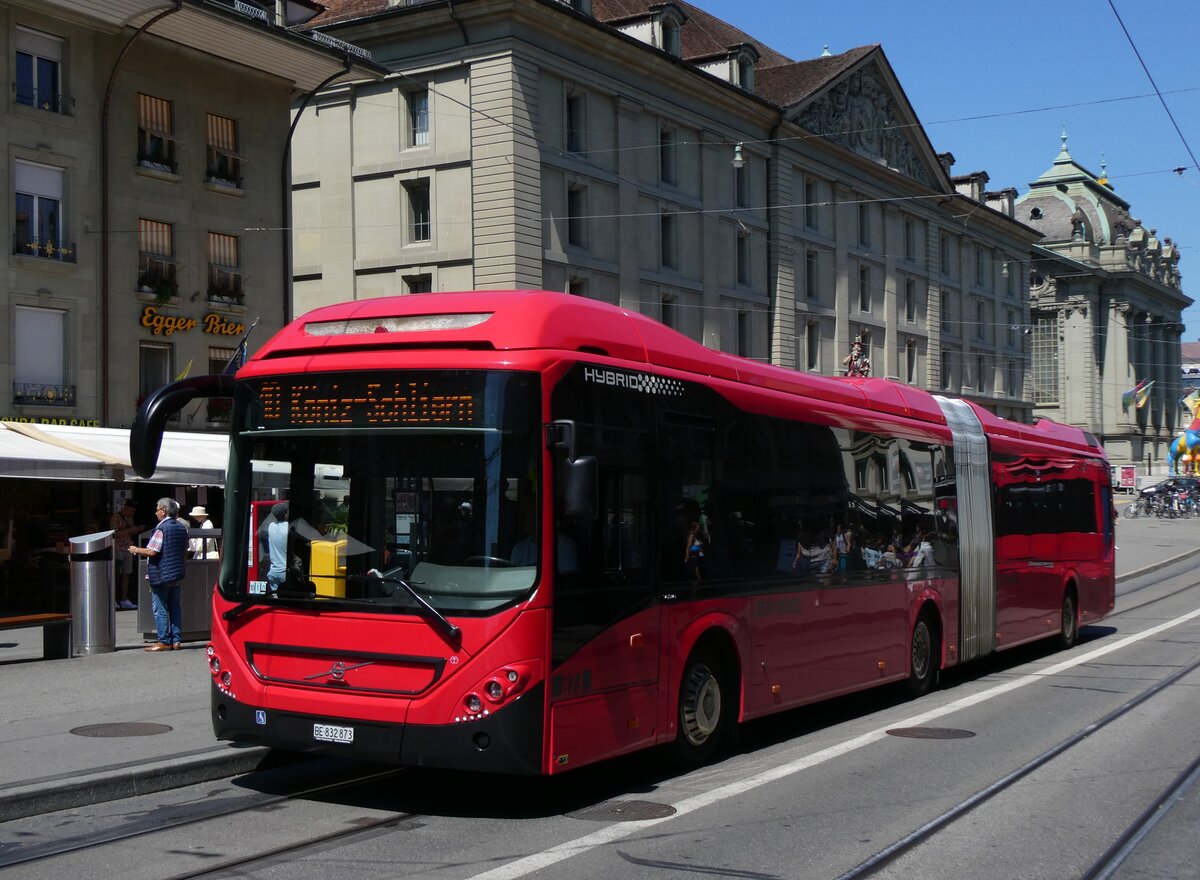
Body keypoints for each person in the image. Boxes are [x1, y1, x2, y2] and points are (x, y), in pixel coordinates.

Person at [128, 498, 188, 651]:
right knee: (175, 607)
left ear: (164, 511)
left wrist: (136, 549)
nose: (155, 513)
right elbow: (185, 550)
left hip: (161, 573)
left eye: (157, 509)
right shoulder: (181, 527)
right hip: (176, 573)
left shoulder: (161, 528)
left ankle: (163, 641)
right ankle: (176, 640)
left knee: (160, 608)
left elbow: (152, 551)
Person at [110, 498, 142, 610]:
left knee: (126, 574)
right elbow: (114, 534)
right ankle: (113, 599)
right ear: (126, 508)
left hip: (128, 548)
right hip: (118, 548)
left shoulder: (129, 519)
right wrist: (131, 530)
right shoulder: (116, 517)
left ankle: (124, 599)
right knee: (116, 575)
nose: (132, 513)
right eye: (131, 511)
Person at [266, 502, 289, 591]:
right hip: (285, 572)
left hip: (273, 572)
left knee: (276, 600)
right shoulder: (289, 527)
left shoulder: (271, 527)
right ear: (286, 514)